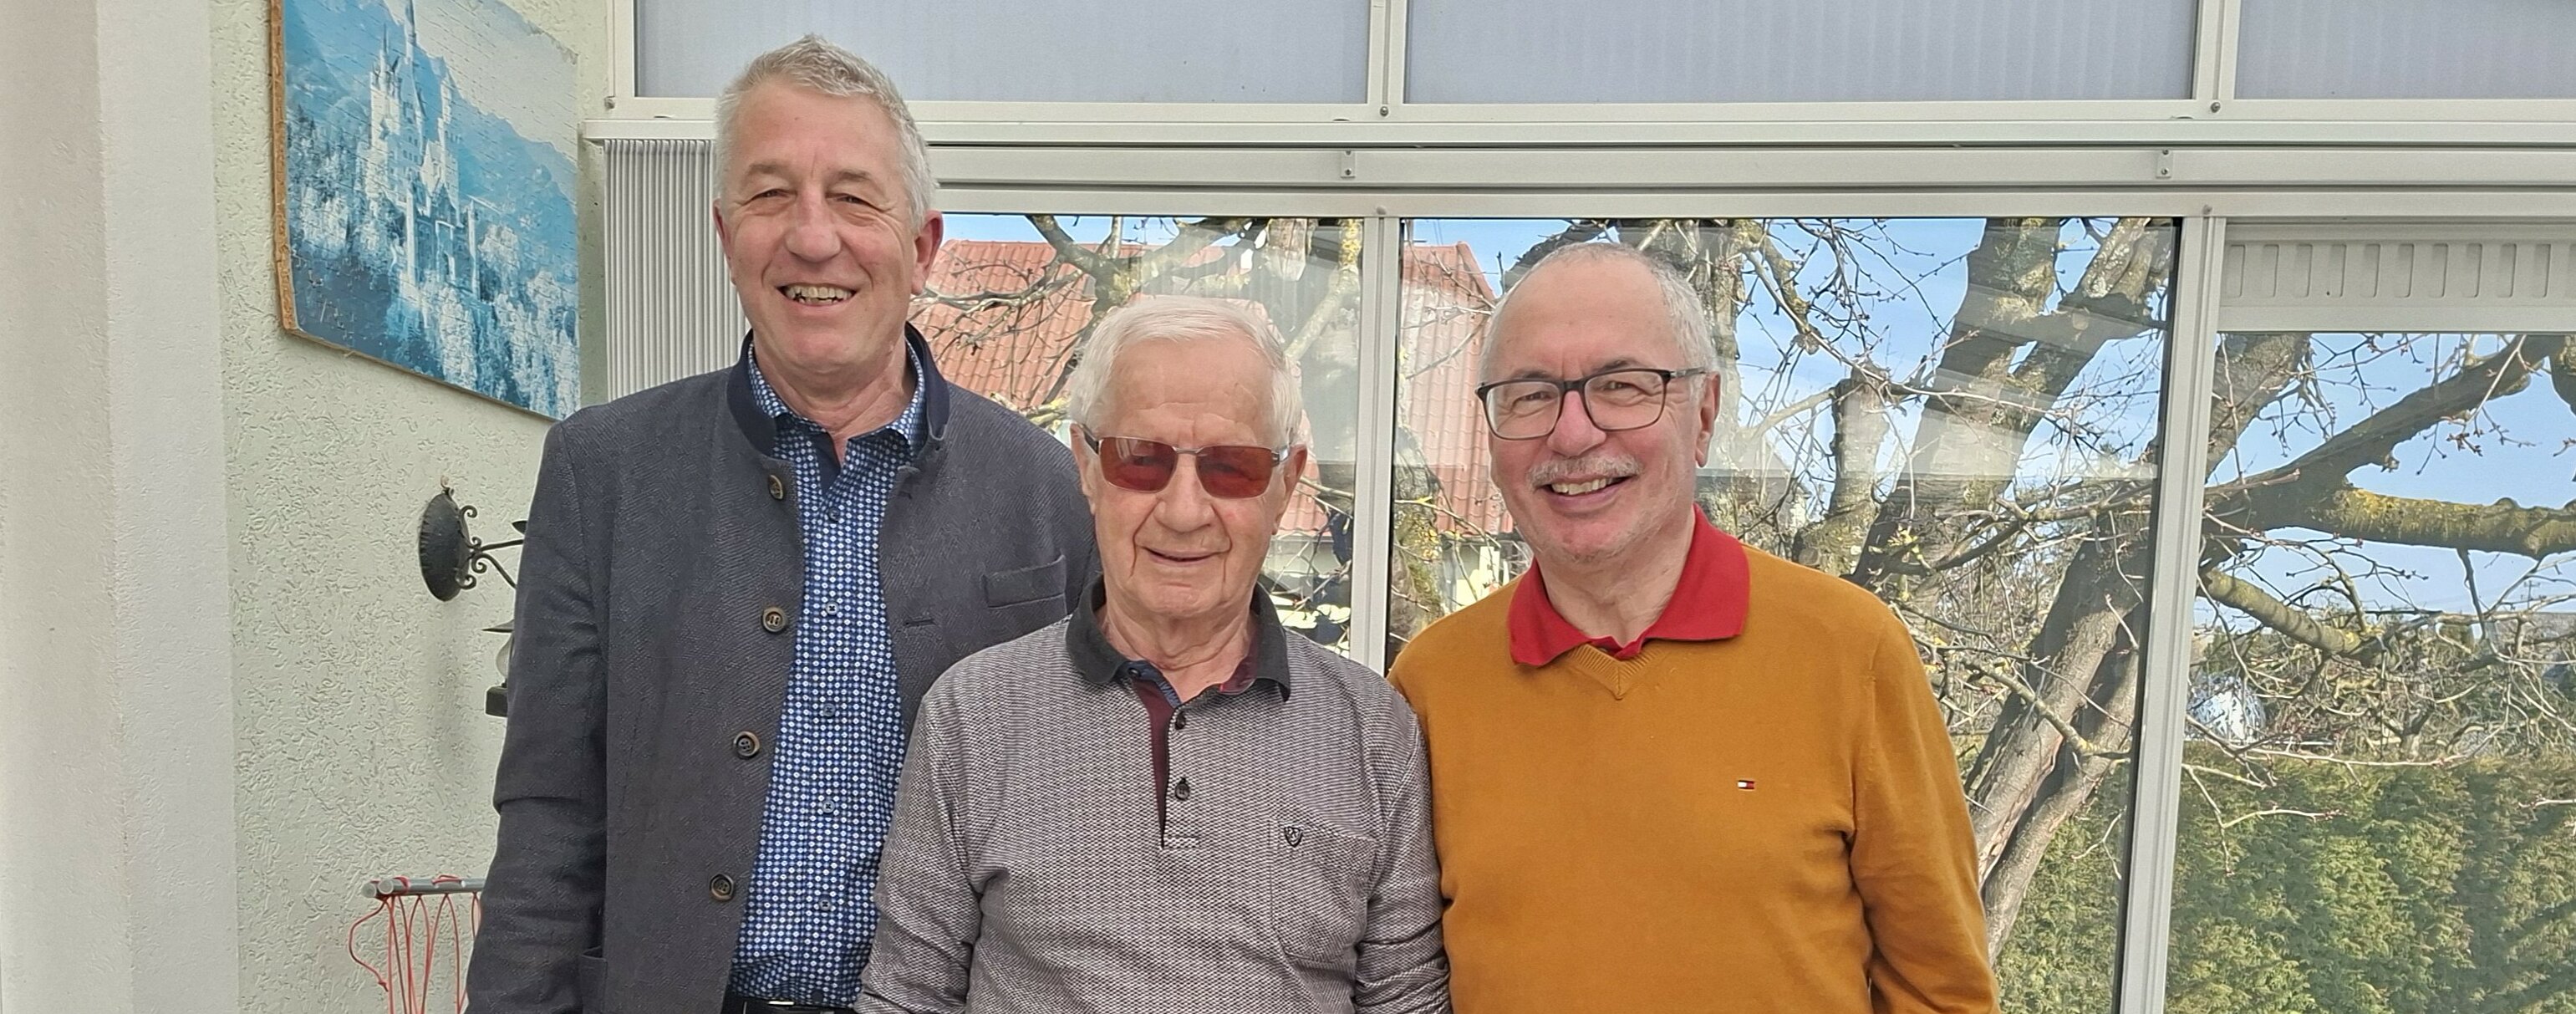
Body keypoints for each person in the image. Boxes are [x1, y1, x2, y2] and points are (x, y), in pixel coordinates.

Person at [467, 36, 1095, 1014]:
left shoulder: (1046, 488)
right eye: (770, 195)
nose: (812, 237)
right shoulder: (605, 472)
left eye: (853, 197)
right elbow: (550, 809)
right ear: (726, 237)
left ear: (921, 246)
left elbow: (1090, 816)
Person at [1389, 242, 1998, 1013]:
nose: (1572, 435)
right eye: (1530, 394)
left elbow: (1940, 992)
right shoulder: (1430, 684)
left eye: (1621, 386)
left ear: (1703, 415)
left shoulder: (1850, 652)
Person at [858, 297, 1450, 1014]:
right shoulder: (971, 714)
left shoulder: (1373, 730)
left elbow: (1406, 1001)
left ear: (1286, 482)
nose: (1183, 510)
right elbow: (908, 995)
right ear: (1086, 465)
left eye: (1230, 466)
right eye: (1142, 460)